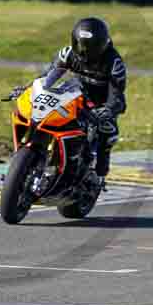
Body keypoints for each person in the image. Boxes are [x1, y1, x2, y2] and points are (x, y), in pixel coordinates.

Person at [46, 17, 127, 186]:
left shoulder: (114, 63)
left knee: (109, 132)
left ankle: (100, 175)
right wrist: (30, 88)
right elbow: (47, 77)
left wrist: (109, 109)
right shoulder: (67, 53)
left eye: (90, 48)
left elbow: (116, 94)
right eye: (80, 45)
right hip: (77, 94)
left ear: (102, 45)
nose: (84, 52)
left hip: (103, 100)